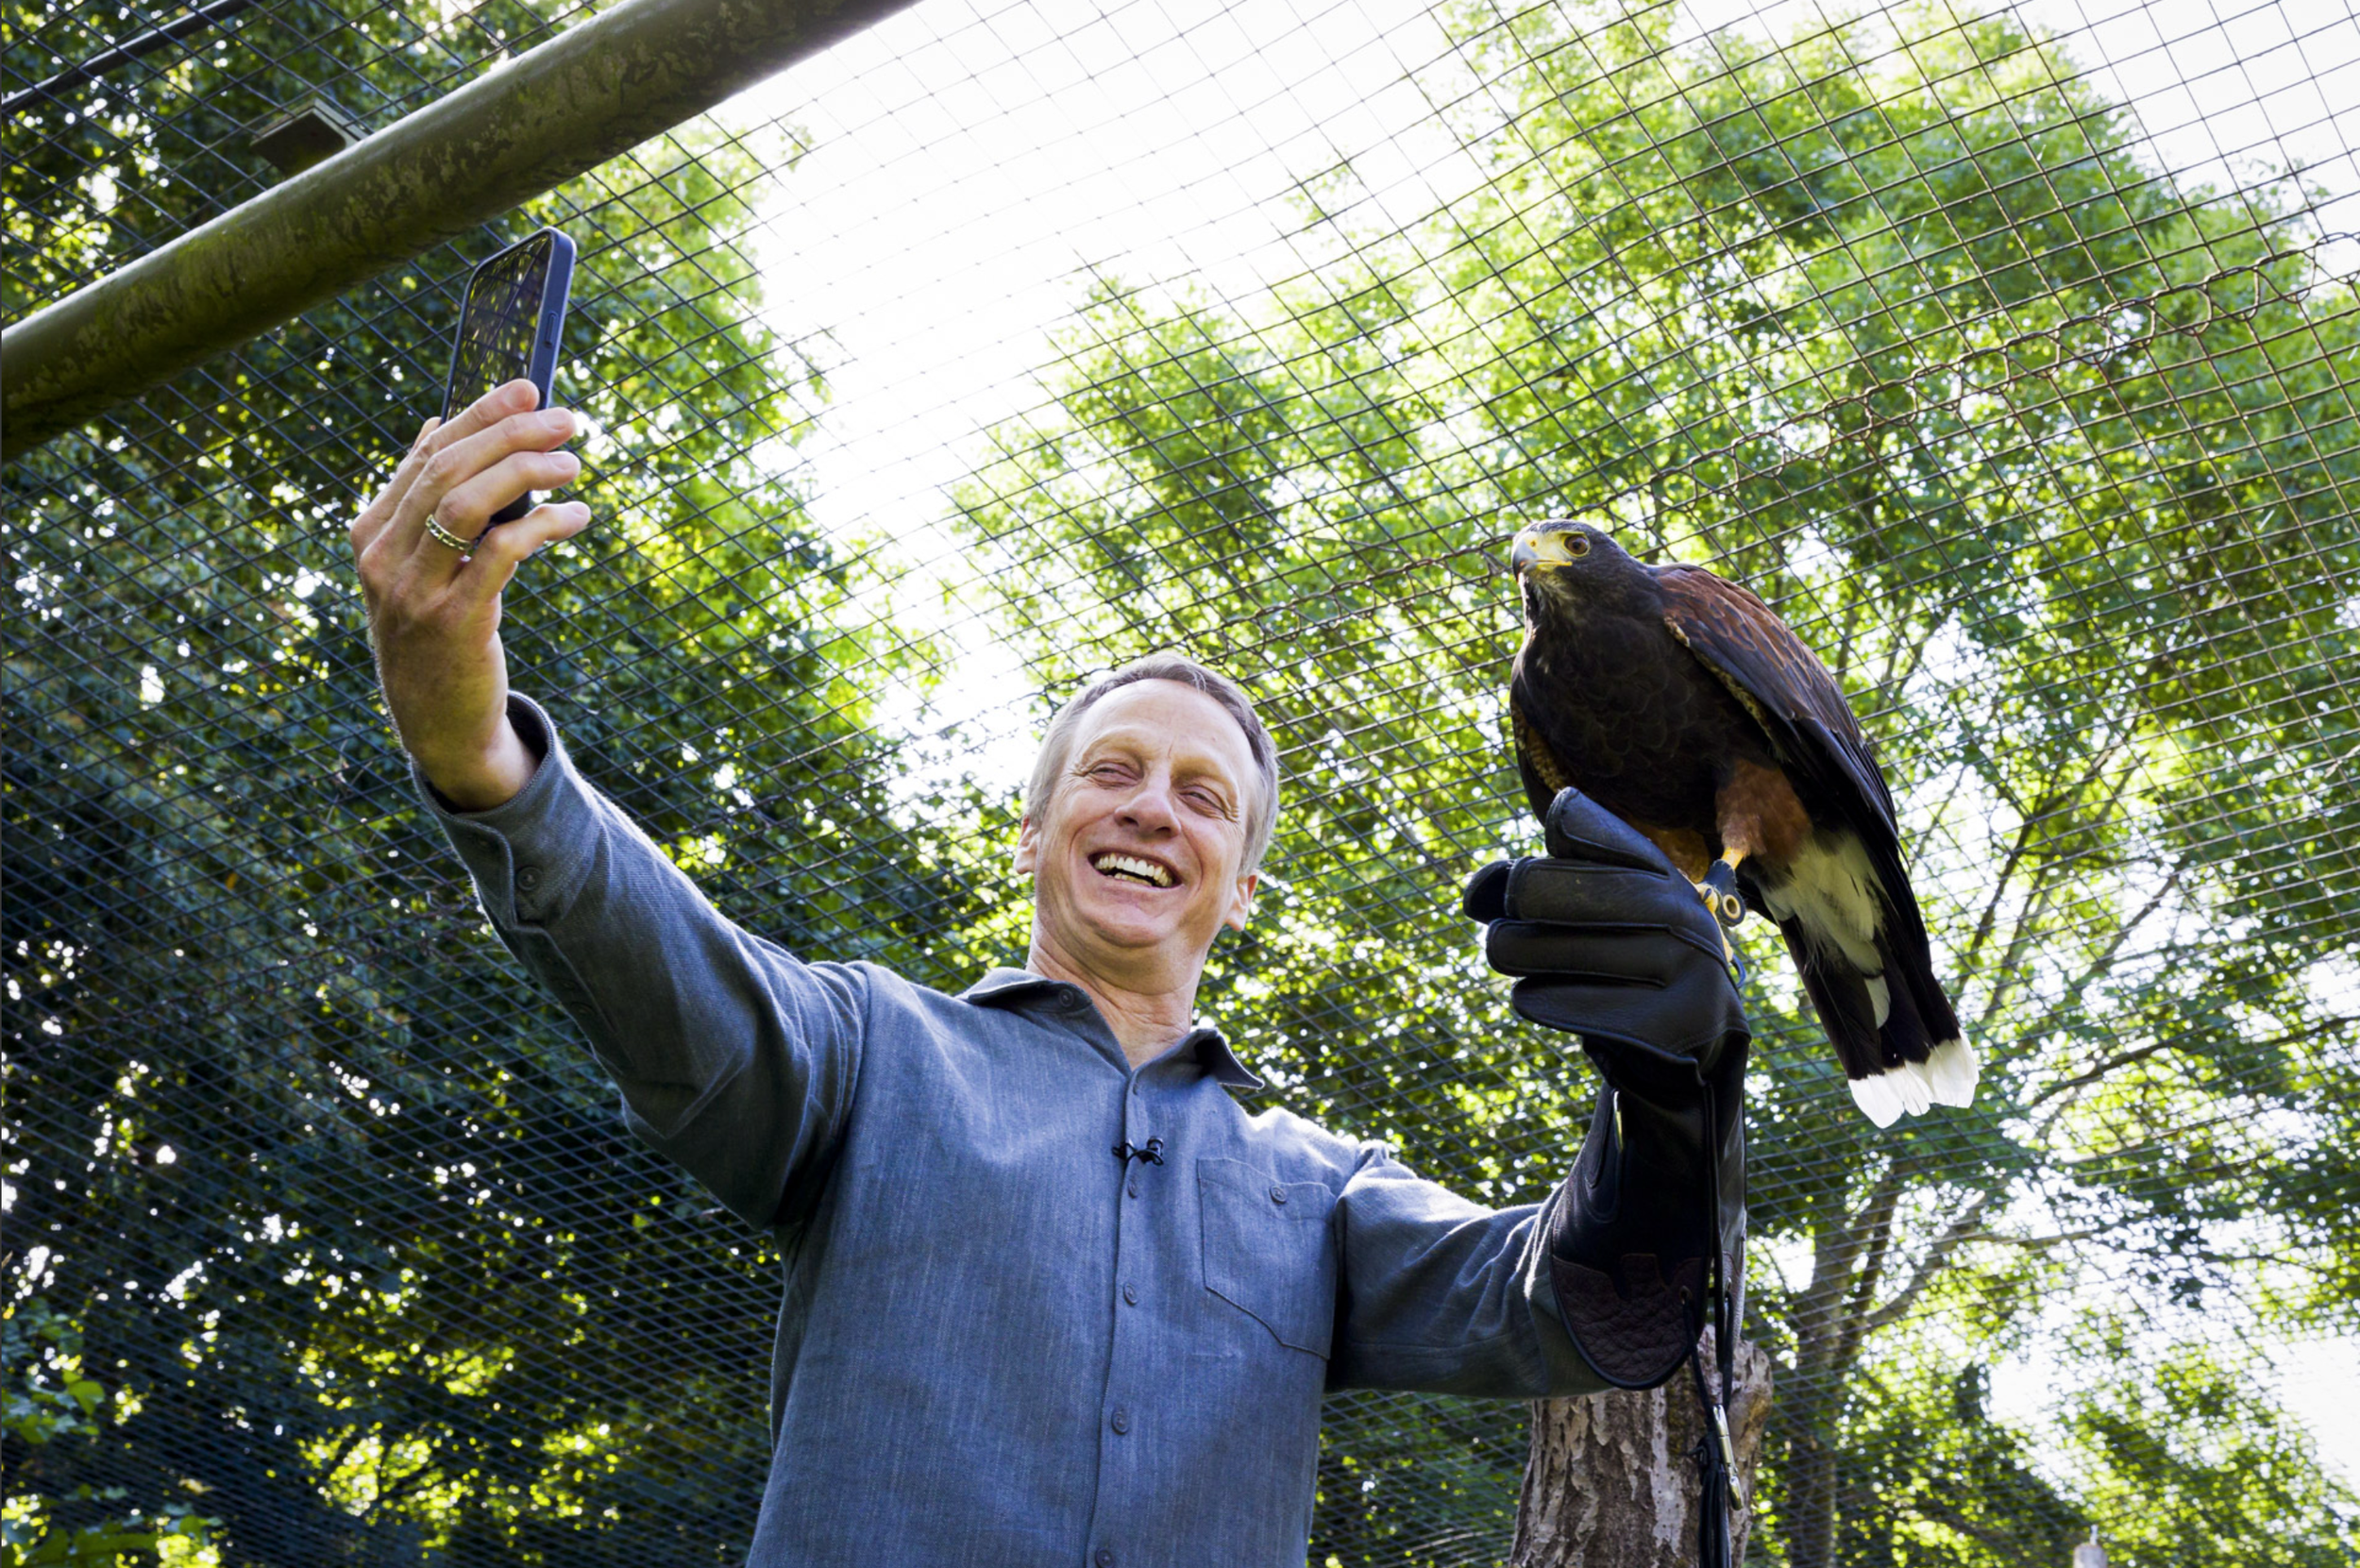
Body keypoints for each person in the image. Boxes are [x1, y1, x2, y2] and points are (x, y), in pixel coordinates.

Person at [348, 379, 1749, 1567]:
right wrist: (480, 753)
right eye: (1116, 772)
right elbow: (673, 972)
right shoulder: (873, 1051)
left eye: (1205, 798)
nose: (1154, 808)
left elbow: (1558, 1301)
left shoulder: (1321, 1187)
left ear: (1243, 889)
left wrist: (1669, 1099)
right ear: (1034, 832)